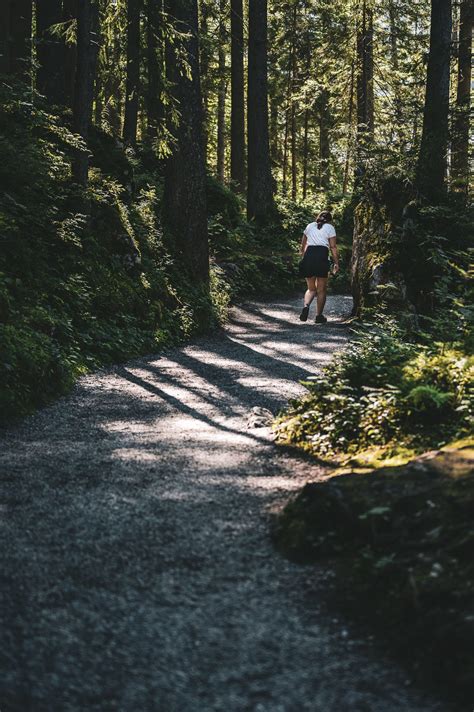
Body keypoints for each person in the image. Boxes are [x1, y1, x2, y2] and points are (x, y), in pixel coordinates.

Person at [298, 210, 339, 324]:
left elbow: (303, 245)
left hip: (309, 255)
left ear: (318, 217)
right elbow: (333, 247)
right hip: (322, 256)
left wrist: (303, 256)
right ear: (329, 220)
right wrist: (336, 263)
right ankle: (318, 316)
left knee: (311, 288)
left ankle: (306, 306)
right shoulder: (330, 228)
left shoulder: (310, 226)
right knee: (321, 290)